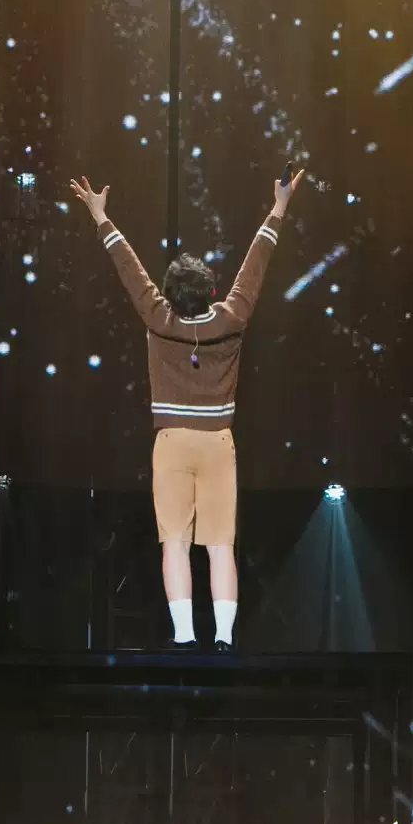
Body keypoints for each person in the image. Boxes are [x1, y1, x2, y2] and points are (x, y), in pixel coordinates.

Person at [70, 164, 303, 650]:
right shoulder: (232, 318)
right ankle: (223, 638)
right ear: (212, 291)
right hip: (218, 444)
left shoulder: (159, 319)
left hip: (172, 443)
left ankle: (183, 636)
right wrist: (278, 209)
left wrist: (101, 218)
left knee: (174, 542)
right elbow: (255, 266)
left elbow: (131, 272)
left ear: (170, 295)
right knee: (220, 546)